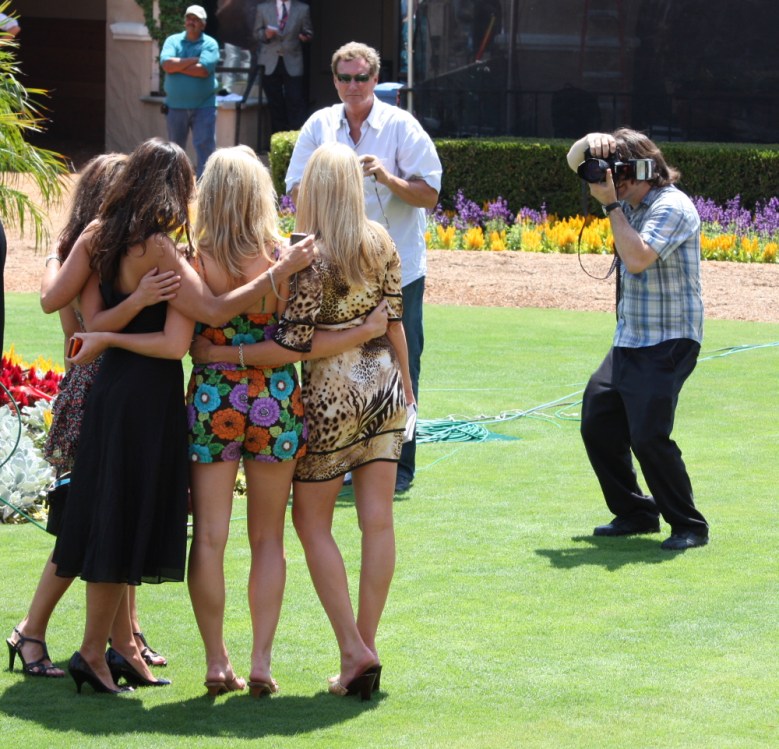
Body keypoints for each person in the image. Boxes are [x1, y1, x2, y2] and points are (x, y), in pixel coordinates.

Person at [6, 154, 179, 680]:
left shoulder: (102, 250)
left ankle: (125, 637)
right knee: (86, 519)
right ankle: (33, 631)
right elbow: (73, 313)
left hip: (105, 385)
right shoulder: (88, 252)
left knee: (109, 513)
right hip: (93, 388)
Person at [285, 41, 442, 494]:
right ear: (335, 81)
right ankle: (342, 458)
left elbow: (430, 194)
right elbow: (297, 187)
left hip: (398, 265)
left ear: (376, 81)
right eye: (345, 78)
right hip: (331, 268)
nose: (353, 86)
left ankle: (399, 466)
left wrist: (386, 177)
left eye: (362, 78)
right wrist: (337, 180)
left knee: (399, 356)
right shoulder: (320, 124)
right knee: (334, 357)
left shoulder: (401, 126)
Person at [184, 147, 307, 698]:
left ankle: (216, 660)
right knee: (268, 539)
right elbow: (292, 345)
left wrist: (217, 355)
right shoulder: (284, 259)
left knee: (209, 538)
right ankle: (260, 660)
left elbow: (191, 335)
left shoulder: (194, 259)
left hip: (213, 400)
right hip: (275, 400)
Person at [566, 128, 709, 551]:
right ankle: (636, 512)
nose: (610, 177)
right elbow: (574, 160)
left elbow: (638, 258)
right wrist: (591, 141)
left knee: (648, 435)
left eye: (618, 170)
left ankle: (689, 525)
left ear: (645, 168)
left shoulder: (672, 205)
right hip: (631, 337)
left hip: (669, 339)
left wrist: (611, 204)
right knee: (597, 420)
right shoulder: (628, 204)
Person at [160, 5, 219, 178]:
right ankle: (174, 188)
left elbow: (203, 70)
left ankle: (204, 190)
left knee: (205, 150)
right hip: (175, 106)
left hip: (204, 106)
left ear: (203, 24)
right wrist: (193, 60)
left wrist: (178, 66)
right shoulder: (173, 41)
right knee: (174, 152)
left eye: (196, 19)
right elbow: (167, 65)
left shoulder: (210, 44)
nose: (191, 22)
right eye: (189, 18)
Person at [254, 0, 314, 133]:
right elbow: (256, 33)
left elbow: (308, 31)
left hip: (292, 59)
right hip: (270, 61)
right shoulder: (263, 8)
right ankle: (277, 139)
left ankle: (296, 139)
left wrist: (305, 37)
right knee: (275, 102)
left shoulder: (303, 8)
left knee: (295, 100)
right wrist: (266, 34)